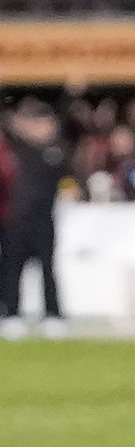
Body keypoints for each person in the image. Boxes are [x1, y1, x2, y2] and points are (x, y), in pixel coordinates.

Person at [0, 99, 59, 334]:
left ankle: (53, 313)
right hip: (15, 219)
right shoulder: (14, 150)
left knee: (48, 268)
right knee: (12, 268)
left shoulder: (54, 153)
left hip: (43, 219)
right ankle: (11, 312)